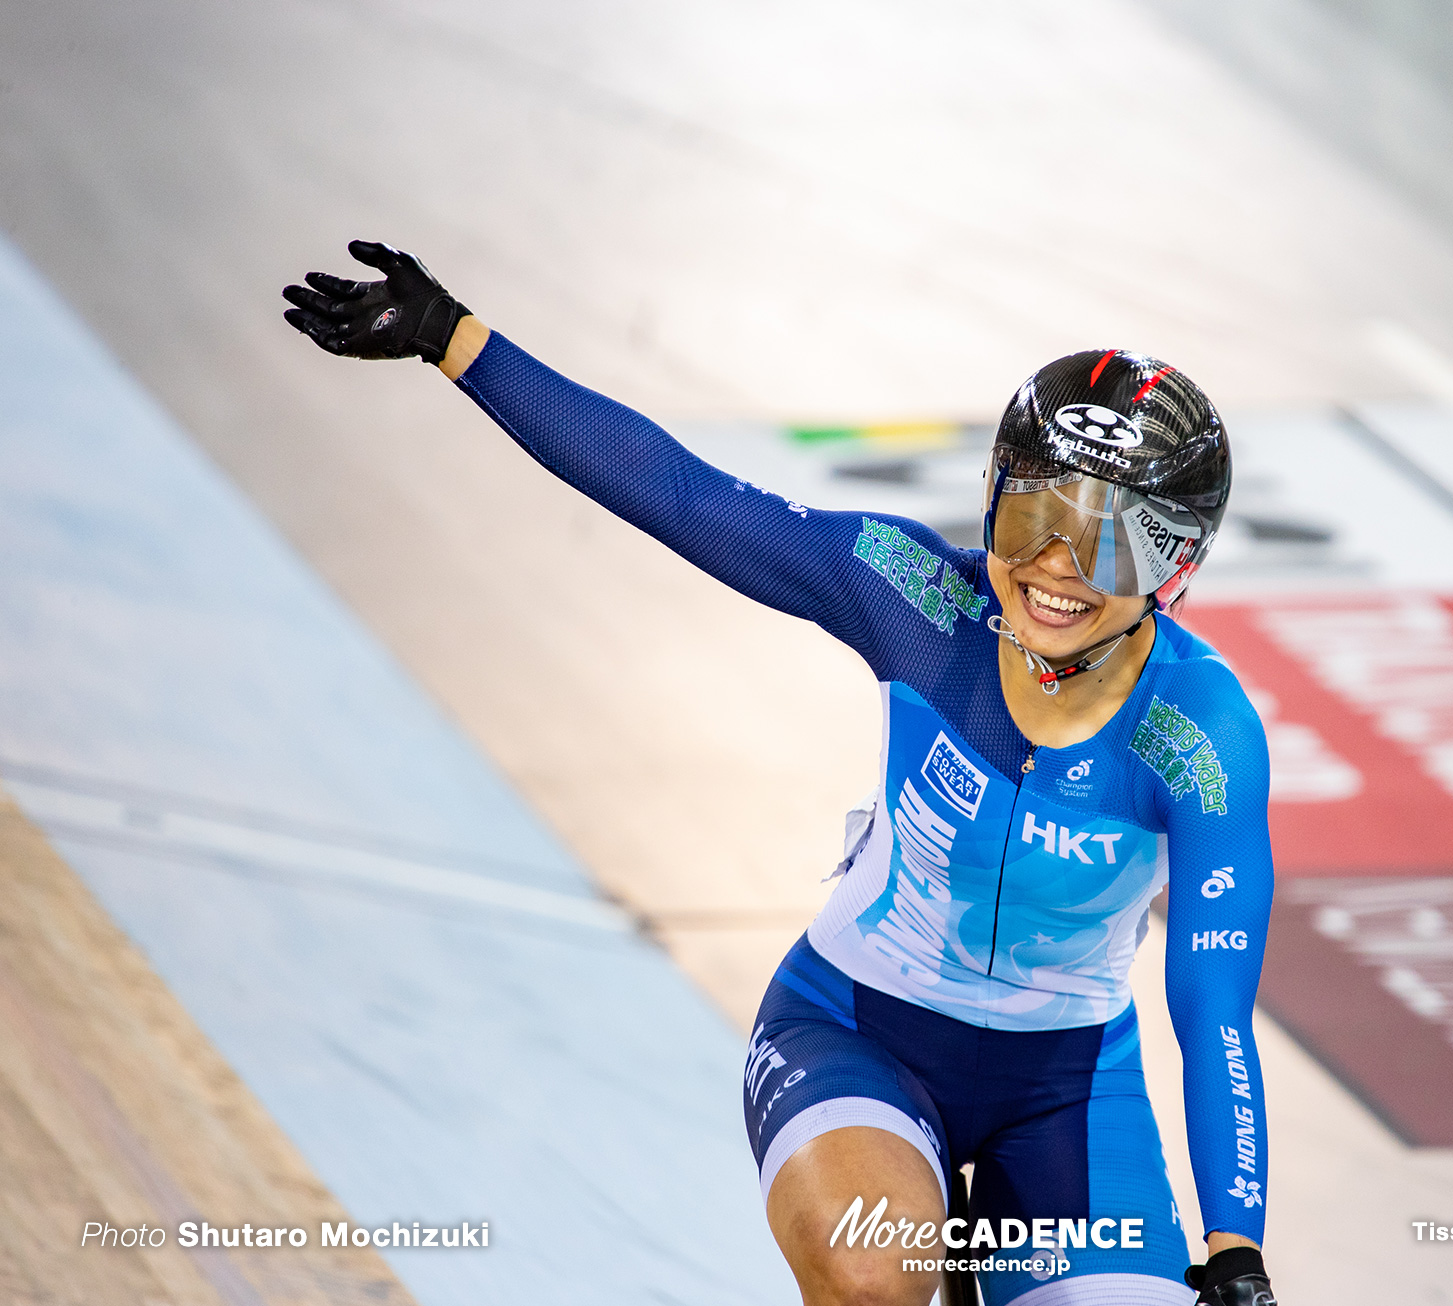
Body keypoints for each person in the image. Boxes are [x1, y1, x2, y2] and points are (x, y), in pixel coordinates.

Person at [284, 242, 1277, 1306]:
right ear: (993, 499)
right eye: (1037, 518)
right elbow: (683, 494)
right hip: (860, 1031)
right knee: (869, 1273)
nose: (1055, 570)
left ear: (1177, 564)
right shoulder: (914, 596)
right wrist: (453, 338)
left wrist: (1234, 1252)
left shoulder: (1201, 732)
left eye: (1109, 547)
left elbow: (1211, 1008)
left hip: (1069, 1089)